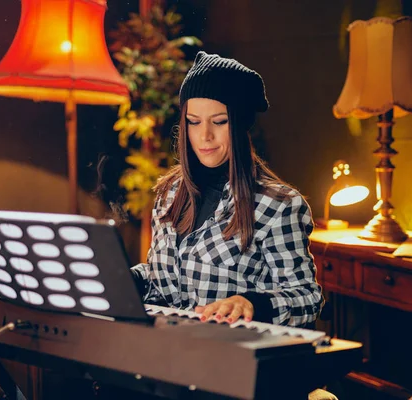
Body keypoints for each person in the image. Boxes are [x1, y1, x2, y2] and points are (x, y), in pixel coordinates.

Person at [131, 51, 323, 328]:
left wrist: (251, 304)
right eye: (193, 122)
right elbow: (167, 278)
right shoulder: (169, 194)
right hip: (168, 349)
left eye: (219, 121)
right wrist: (128, 279)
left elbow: (308, 297)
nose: (204, 135)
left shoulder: (278, 206)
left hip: (230, 356)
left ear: (240, 124)